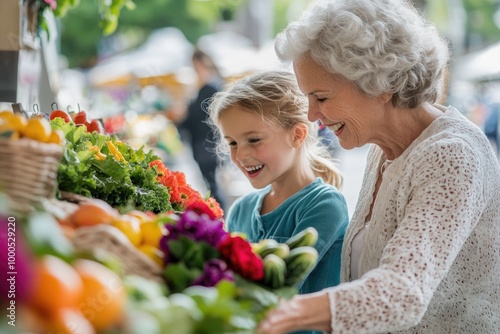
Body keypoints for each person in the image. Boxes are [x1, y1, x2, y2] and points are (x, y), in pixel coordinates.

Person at [257, 0, 500, 333]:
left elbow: (402, 291)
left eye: (322, 97)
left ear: (382, 84)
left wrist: (284, 311)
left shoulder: (452, 156)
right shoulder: (383, 147)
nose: (312, 115)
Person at [208, 70, 349, 334]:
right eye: (233, 143)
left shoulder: (325, 205)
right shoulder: (241, 209)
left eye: (254, 140)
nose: (241, 155)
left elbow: (275, 291)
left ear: (296, 135)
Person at [176, 48, 227, 209]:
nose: (195, 71)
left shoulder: (210, 89)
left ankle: (220, 218)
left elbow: (196, 119)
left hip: (207, 146)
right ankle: (219, 217)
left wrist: (182, 116)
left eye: (195, 67)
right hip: (205, 146)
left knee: (213, 189)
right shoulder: (206, 88)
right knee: (211, 187)